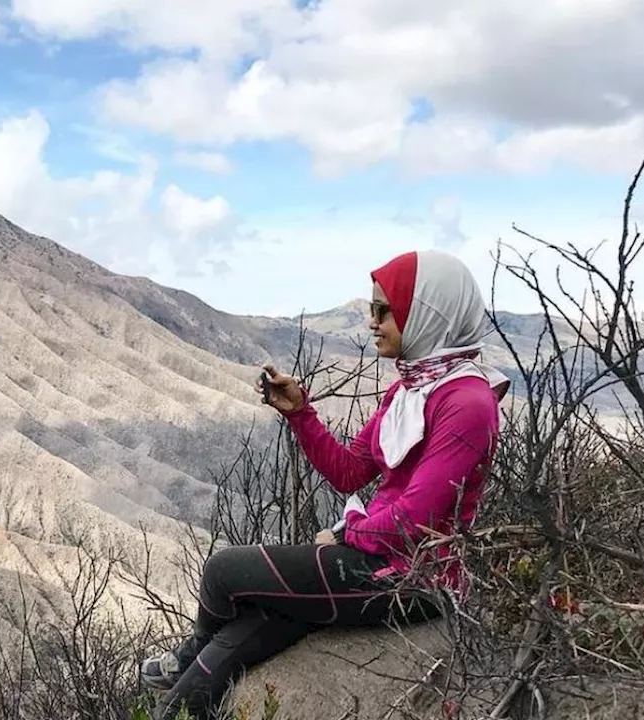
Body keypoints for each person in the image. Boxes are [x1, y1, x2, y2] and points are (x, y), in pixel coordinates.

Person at [139, 250, 511, 719]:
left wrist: (343, 532)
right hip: (379, 558)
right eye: (370, 310)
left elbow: (416, 520)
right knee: (253, 622)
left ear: (427, 314)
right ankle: (182, 695)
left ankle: (188, 657)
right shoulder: (412, 389)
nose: (372, 322)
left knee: (223, 572)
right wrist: (300, 413)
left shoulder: (467, 403)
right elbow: (350, 471)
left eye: (384, 310)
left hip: (414, 578)